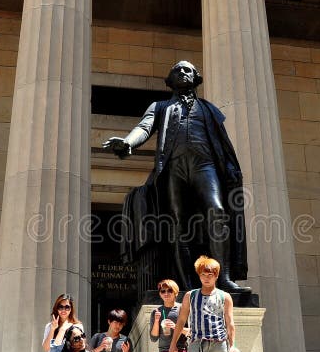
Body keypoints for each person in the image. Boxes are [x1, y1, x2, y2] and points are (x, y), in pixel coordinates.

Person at [103, 61, 249, 293]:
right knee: (177, 224)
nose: (182, 72)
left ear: (196, 78)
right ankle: (187, 284)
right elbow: (144, 127)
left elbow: (222, 141)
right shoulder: (160, 106)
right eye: (177, 70)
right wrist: (128, 142)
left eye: (187, 70)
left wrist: (230, 168)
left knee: (217, 211)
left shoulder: (208, 109)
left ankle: (224, 278)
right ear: (170, 80)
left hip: (205, 164)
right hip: (174, 167)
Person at [169, 256, 235, 352]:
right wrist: (173, 344)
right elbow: (181, 320)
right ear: (199, 275)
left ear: (216, 275)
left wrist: (233, 346)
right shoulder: (190, 296)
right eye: (203, 274)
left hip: (219, 342)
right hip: (196, 342)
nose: (206, 278)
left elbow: (230, 322)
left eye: (210, 274)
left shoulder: (224, 296)